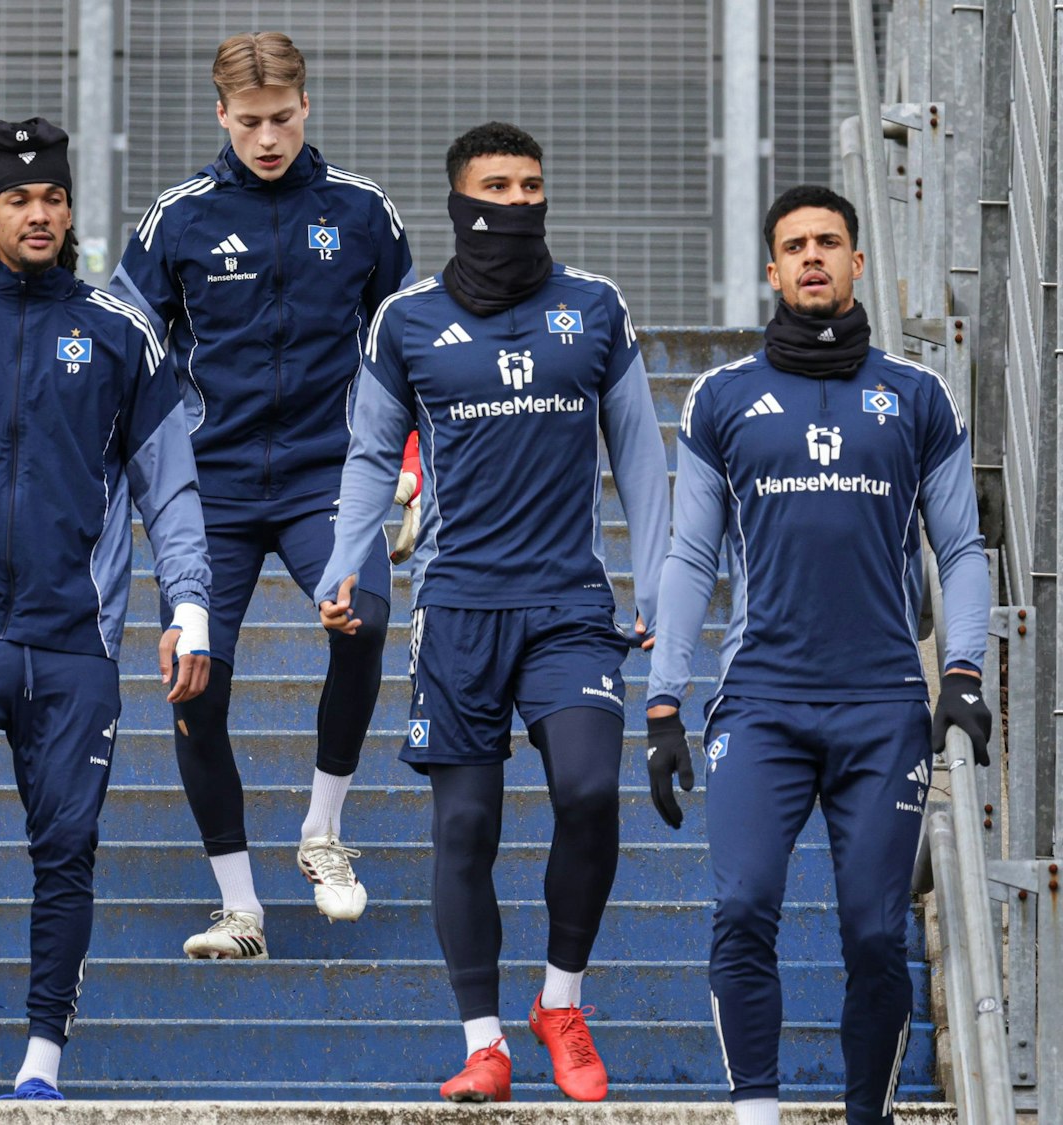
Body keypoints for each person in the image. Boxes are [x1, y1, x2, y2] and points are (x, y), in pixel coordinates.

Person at [314, 121, 669, 1103]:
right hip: (458, 607)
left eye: (530, 186)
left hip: (567, 605)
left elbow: (641, 458)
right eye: (496, 187)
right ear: (459, 201)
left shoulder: (594, 308)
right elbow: (369, 455)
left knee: (587, 792)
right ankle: (484, 1044)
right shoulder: (406, 321)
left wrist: (658, 586)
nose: (516, 202)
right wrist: (343, 565)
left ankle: (560, 1004)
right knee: (465, 825)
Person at [0, 117, 213, 1101]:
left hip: (72, 640)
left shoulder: (118, 333)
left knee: (65, 848)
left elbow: (168, 488)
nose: (39, 214)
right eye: (18, 199)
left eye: (53, 197)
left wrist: (188, 602)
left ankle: (43, 1057)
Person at [645, 185, 991, 1125]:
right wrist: (665, 698)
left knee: (875, 933)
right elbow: (690, 556)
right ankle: (756, 1113)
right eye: (794, 245)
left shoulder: (918, 396)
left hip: (883, 705)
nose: (811, 256)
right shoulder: (722, 398)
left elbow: (962, 547)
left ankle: (866, 1117)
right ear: (771, 268)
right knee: (743, 908)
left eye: (828, 242)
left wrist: (963, 669)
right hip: (761, 702)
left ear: (856, 261)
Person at [110, 31, 418, 960]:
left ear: (306, 105)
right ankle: (239, 906)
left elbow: (412, 343)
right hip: (211, 486)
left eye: (283, 118)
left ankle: (322, 830)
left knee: (364, 621)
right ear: (221, 115)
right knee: (195, 678)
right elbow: (126, 349)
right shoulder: (178, 218)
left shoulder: (362, 210)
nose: (269, 138)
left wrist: (410, 459)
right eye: (249, 122)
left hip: (332, 474)